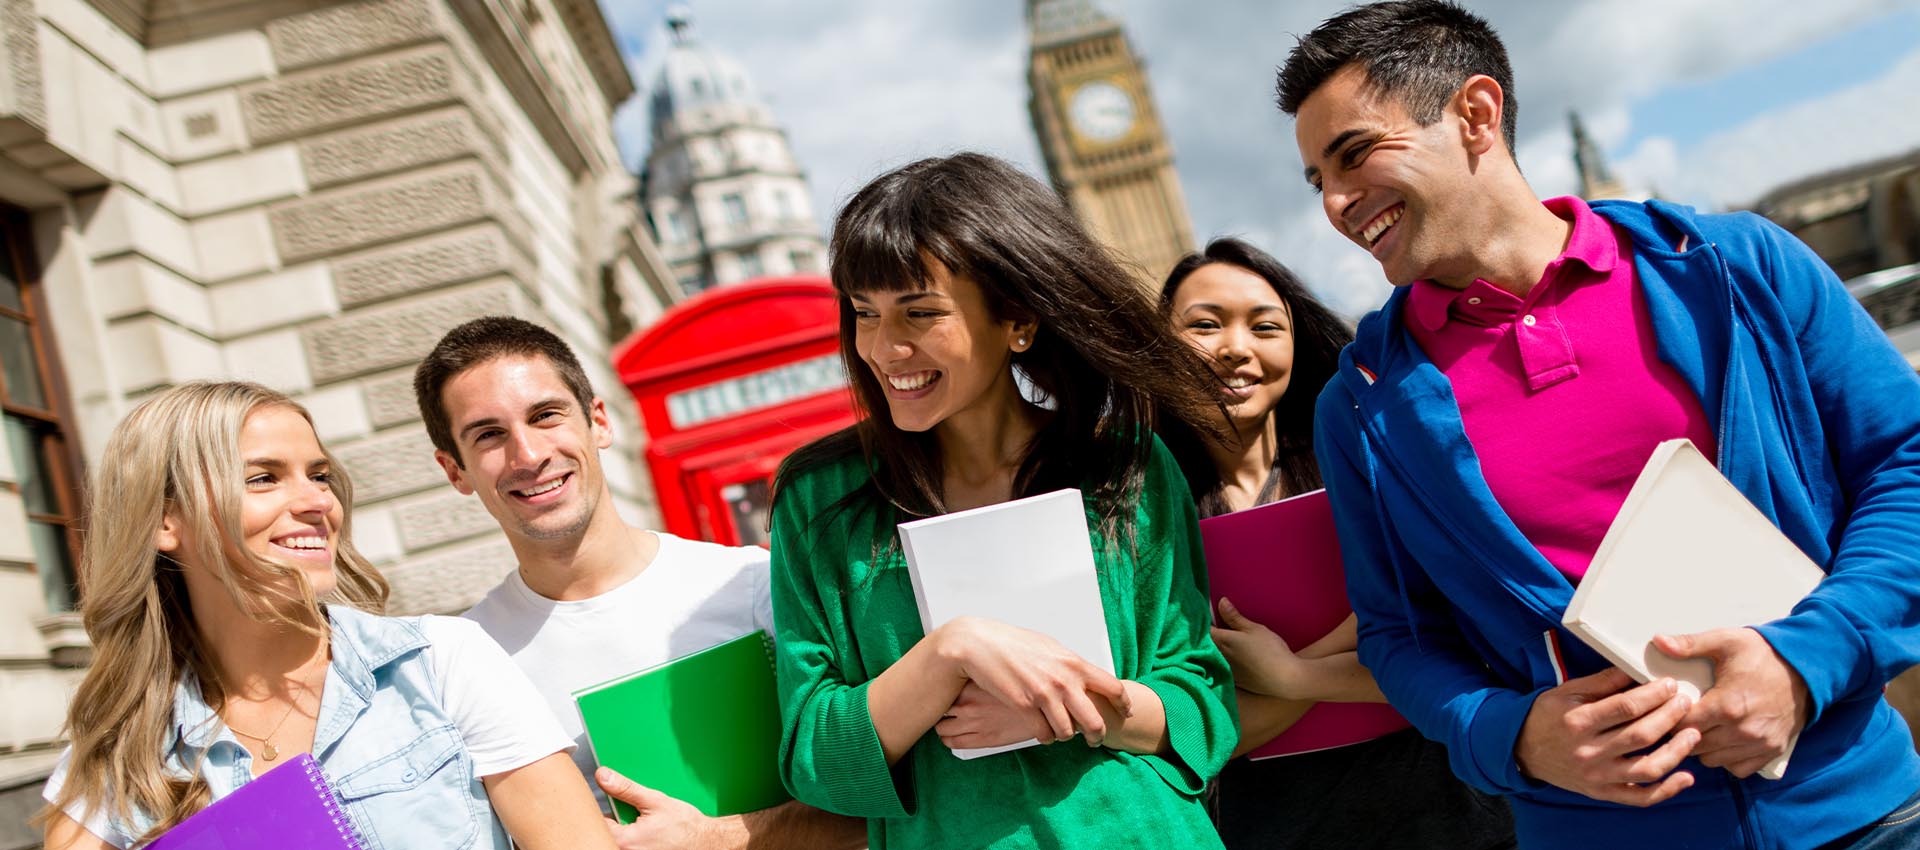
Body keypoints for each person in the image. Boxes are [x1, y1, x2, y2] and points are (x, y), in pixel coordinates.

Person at [1279, 2, 1920, 847]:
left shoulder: (1737, 266)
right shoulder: (1360, 404)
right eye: (1318, 178)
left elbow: (1904, 465)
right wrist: (1514, 738)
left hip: (1861, 811)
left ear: (1476, 114)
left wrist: (1807, 661)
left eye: (1354, 154)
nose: (1335, 201)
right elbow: (1401, 638)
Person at [768, 152, 1239, 849]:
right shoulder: (819, 499)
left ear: (1016, 321)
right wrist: (951, 651)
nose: (883, 347)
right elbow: (814, 757)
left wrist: (1073, 709)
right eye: (865, 314)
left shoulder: (1127, 466)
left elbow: (1202, 698)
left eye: (919, 313)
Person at [38, 381, 612, 850]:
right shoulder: (123, 749)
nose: (318, 502)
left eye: (318, 475)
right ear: (166, 522)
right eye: (263, 478)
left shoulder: (440, 661)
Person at [413, 317, 865, 850]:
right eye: (489, 435)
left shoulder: (748, 585)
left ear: (598, 421)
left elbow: (887, 795)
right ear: (455, 471)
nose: (529, 455)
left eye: (546, 416)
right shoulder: (461, 662)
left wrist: (716, 837)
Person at [1158, 237, 1514, 849]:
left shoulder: (1367, 459)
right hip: (1276, 825)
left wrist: (1289, 674)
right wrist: (1356, 632)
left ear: (1295, 342)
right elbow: (1199, 734)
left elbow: (1457, 652)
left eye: (1265, 326)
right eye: (1205, 325)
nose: (1235, 348)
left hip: (1446, 806)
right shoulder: (1143, 511)